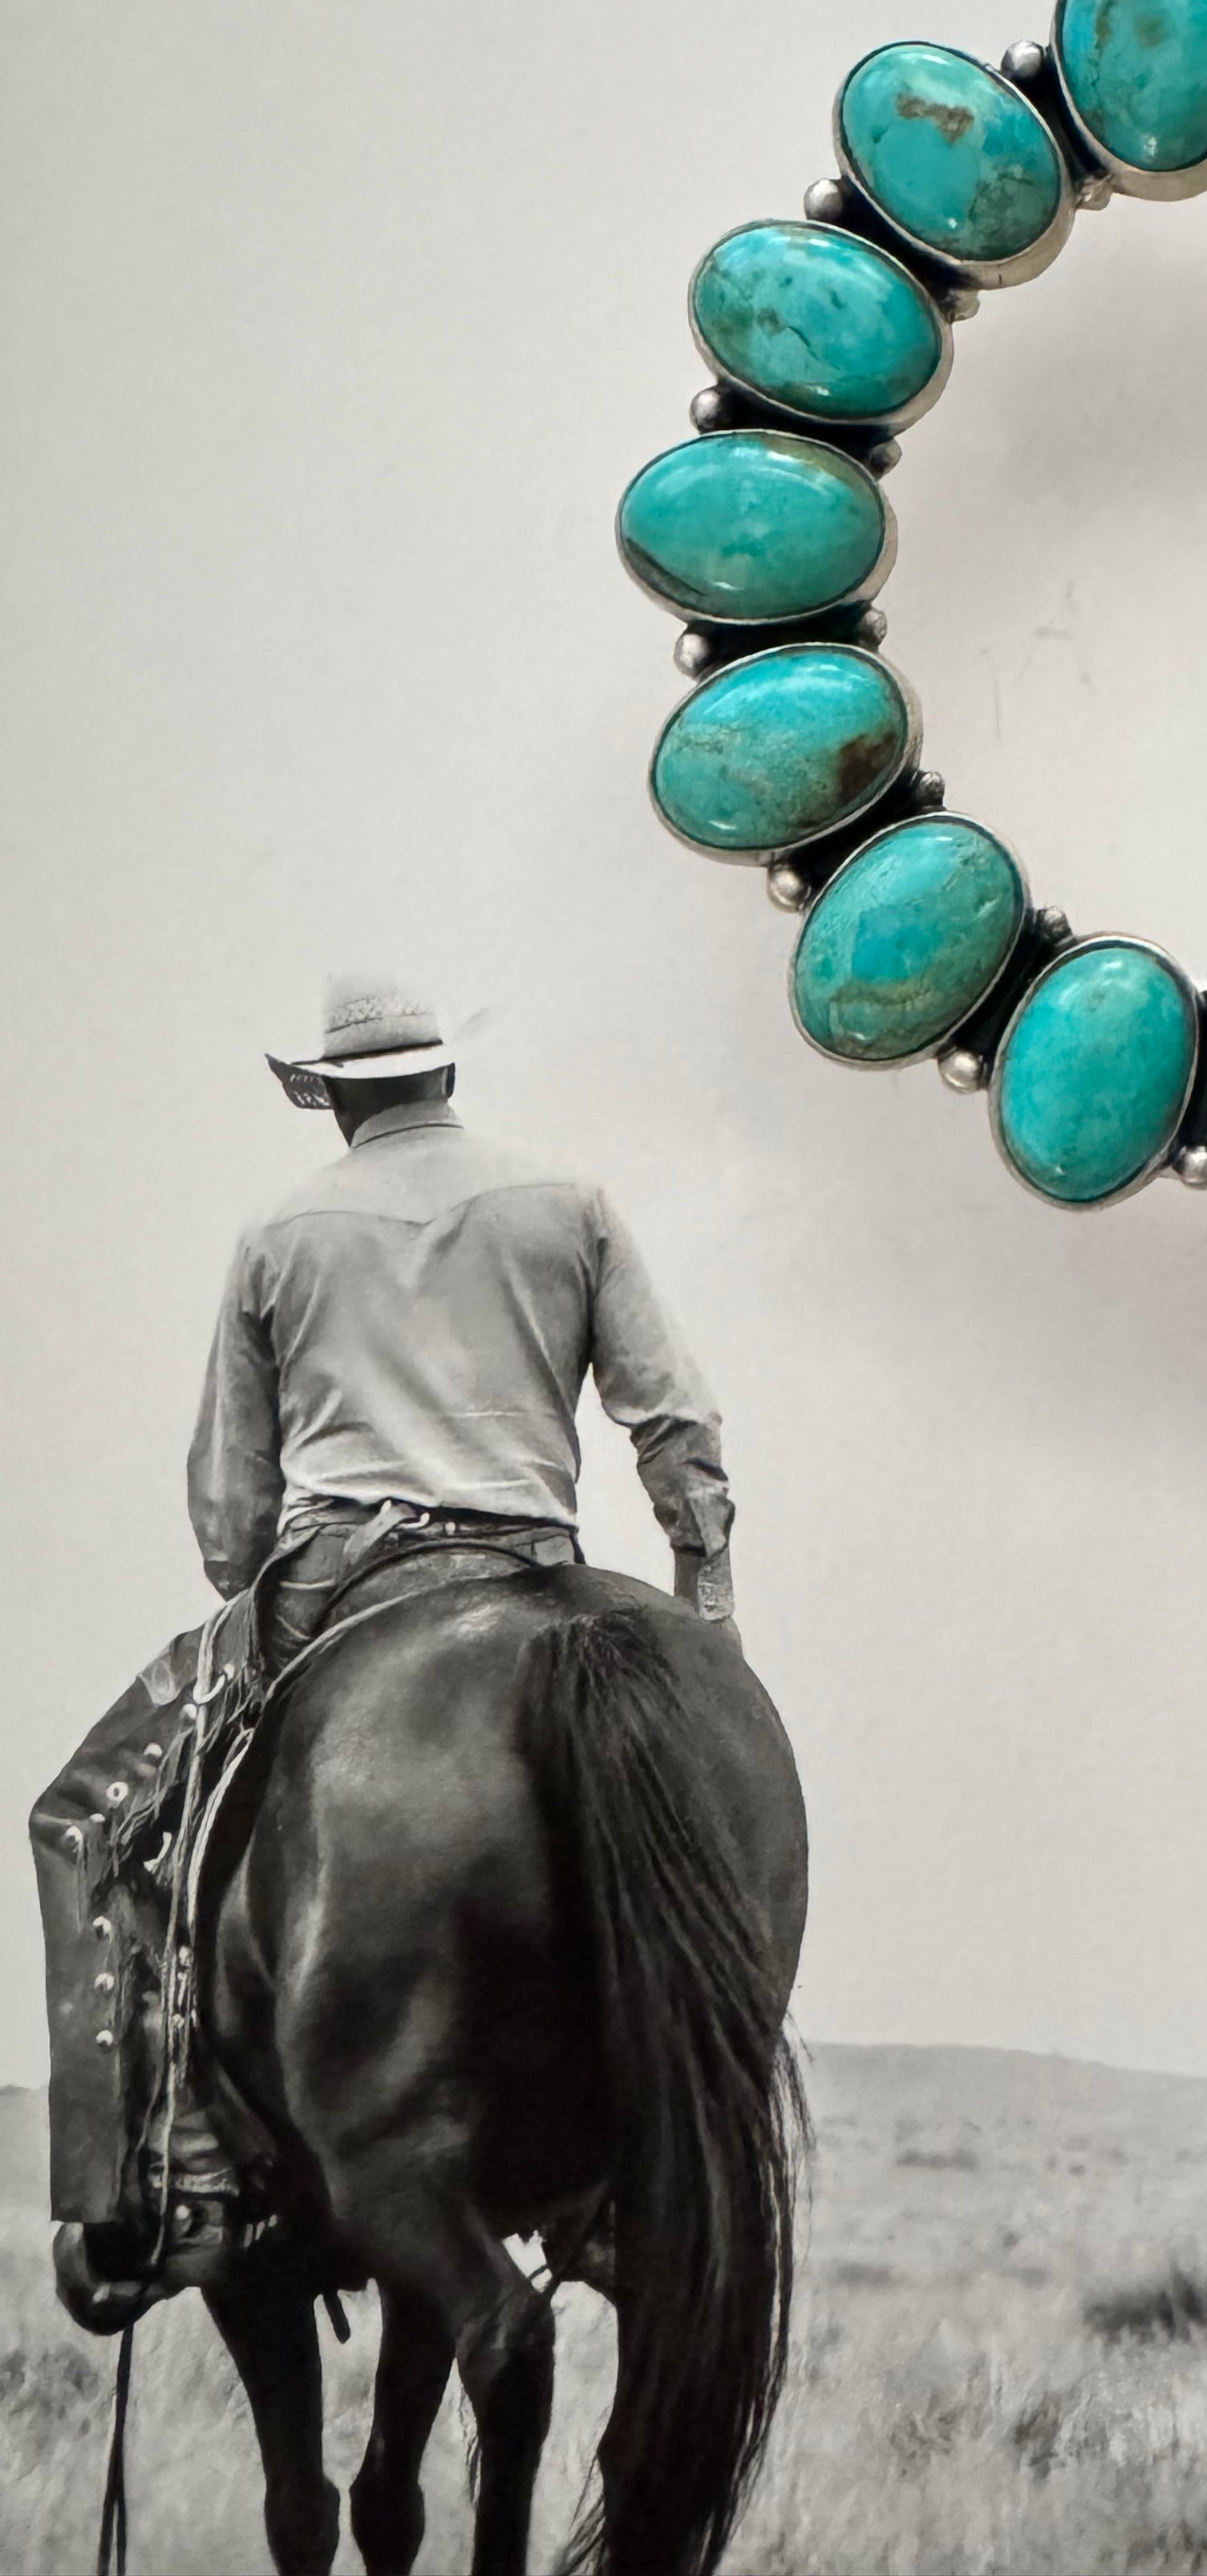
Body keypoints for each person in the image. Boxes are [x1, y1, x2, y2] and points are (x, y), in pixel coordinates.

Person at [30, 970, 735, 2329]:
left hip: (337, 1580)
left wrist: (252, 1594)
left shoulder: (278, 1234)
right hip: (539, 1564)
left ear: (331, 1097)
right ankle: (626, 2179)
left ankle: (154, 2182)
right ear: (445, 1078)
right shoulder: (572, 1203)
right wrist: (703, 1595)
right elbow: (675, 1418)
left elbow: (229, 1510)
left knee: (82, 1820)